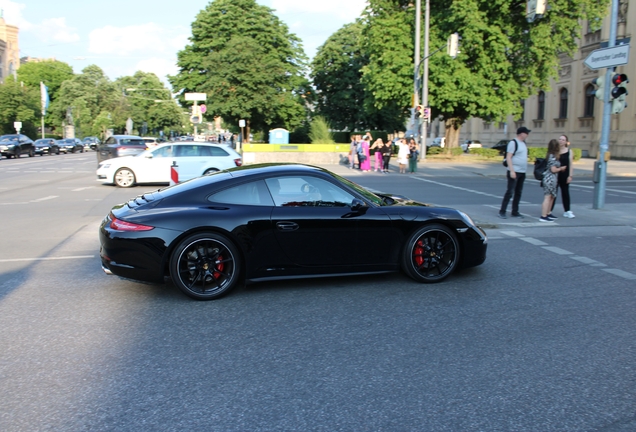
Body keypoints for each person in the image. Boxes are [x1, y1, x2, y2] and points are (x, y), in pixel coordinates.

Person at [498, 127, 531, 219]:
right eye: (526, 133)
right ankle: (502, 211)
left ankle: (515, 211)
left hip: (522, 171)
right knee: (510, 192)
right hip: (514, 171)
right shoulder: (513, 143)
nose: (527, 134)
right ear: (521, 133)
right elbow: (508, 157)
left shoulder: (523, 143)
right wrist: (512, 171)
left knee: (518, 192)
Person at [540, 139, 567, 222]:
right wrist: (561, 168)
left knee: (551, 196)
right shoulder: (553, 157)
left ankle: (548, 213)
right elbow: (553, 169)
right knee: (548, 197)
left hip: (551, 178)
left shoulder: (550, 155)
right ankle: (543, 215)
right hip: (550, 178)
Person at [551, 134, 575, 218]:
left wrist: (570, 176)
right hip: (556, 174)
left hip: (565, 174)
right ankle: (549, 210)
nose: (561, 141)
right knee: (553, 193)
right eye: (560, 139)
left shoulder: (569, 151)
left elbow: (571, 164)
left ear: (566, 142)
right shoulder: (555, 151)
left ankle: (567, 210)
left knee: (565, 192)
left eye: (563, 140)